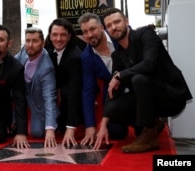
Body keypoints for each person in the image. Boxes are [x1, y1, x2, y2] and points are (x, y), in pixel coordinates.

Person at [93, 8, 192, 153]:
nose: (114, 27)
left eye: (117, 22)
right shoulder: (117, 55)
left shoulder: (145, 34)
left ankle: (149, 136)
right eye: (109, 25)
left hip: (171, 96)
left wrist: (121, 75)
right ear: (106, 30)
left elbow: (149, 64)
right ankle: (152, 125)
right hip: (148, 101)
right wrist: (104, 123)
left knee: (139, 79)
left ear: (127, 21)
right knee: (113, 106)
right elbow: (113, 88)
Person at [77, 12, 129, 146]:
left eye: (92, 29)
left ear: (101, 27)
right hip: (113, 95)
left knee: (143, 127)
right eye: (85, 31)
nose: (89, 35)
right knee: (117, 133)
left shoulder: (119, 37)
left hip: (136, 86)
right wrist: (90, 125)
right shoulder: (86, 57)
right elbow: (88, 90)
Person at [15, 27, 58, 148]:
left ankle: (54, 121)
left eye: (35, 41)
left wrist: (50, 129)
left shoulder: (47, 68)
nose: (30, 45)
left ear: (43, 43)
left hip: (37, 101)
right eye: (28, 41)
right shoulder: (24, 50)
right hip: (21, 93)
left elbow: (49, 99)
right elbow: (12, 64)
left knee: (38, 133)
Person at [45, 18, 82, 147]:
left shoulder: (75, 56)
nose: (58, 39)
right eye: (55, 34)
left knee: (67, 92)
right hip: (54, 95)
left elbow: (74, 92)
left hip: (73, 98)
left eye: (63, 35)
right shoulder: (47, 51)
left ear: (69, 36)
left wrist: (70, 128)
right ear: (50, 36)